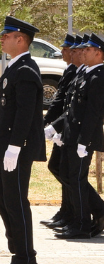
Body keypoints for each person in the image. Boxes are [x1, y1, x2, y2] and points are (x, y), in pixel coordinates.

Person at [0, 16, 45, 264]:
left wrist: (15, 146)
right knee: (1, 197)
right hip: (6, 144)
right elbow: (10, 109)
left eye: (6, 35)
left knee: (15, 200)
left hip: (16, 148)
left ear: (20, 39)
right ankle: (18, 254)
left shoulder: (25, 70)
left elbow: (26, 113)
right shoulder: (16, 67)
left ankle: (26, 259)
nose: (2, 38)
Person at [55, 32, 104, 239]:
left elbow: (93, 113)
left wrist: (84, 142)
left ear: (99, 53)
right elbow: (73, 109)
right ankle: (80, 219)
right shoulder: (87, 73)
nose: (82, 52)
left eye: (87, 49)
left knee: (76, 179)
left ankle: (82, 224)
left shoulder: (99, 76)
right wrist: (58, 129)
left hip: (84, 138)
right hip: (73, 135)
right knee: (72, 177)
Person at [41, 34, 81, 231]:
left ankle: (83, 210)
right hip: (61, 128)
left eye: (67, 49)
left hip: (70, 130)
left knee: (65, 171)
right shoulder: (70, 70)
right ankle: (68, 211)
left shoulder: (78, 72)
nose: (64, 52)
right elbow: (59, 103)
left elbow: (68, 107)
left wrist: (53, 126)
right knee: (60, 169)